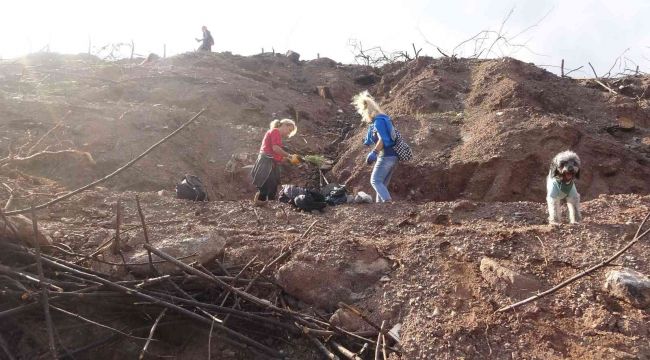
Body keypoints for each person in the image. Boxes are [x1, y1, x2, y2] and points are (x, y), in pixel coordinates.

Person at [352, 91, 398, 203]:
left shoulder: (378, 122)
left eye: (363, 113)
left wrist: (375, 152)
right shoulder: (383, 119)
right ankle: (381, 207)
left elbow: (383, 138)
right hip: (393, 157)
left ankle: (388, 203)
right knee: (382, 184)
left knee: (375, 181)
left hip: (386, 156)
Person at [250, 119, 300, 206]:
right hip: (266, 160)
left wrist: (287, 159)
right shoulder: (275, 131)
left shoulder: (274, 133)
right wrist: (289, 156)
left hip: (269, 161)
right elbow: (275, 148)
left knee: (271, 185)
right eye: (289, 130)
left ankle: (264, 203)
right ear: (284, 125)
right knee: (267, 184)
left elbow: (275, 153)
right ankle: (263, 203)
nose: (288, 134)